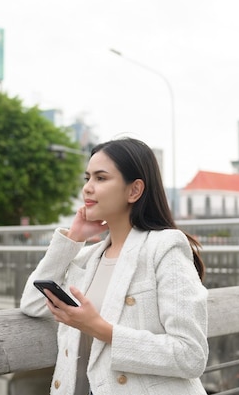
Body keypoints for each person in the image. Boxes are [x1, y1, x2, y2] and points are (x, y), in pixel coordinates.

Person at [20, 137, 208, 395]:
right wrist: (73, 239)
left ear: (134, 190)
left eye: (101, 178)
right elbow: (31, 303)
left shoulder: (164, 247)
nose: (87, 188)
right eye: (87, 178)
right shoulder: (87, 258)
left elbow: (191, 355)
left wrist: (98, 328)